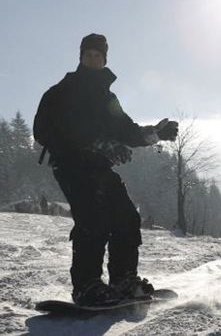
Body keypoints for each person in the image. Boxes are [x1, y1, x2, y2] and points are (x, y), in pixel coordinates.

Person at [33, 33, 178, 307]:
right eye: (88, 54)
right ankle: (86, 286)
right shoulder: (61, 92)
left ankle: (124, 280)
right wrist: (94, 143)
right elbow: (43, 130)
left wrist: (155, 134)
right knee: (93, 220)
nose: (92, 59)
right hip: (71, 165)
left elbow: (125, 130)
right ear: (81, 57)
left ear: (104, 59)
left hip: (100, 168)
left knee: (126, 218)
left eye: (97, 55)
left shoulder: (107, 98)